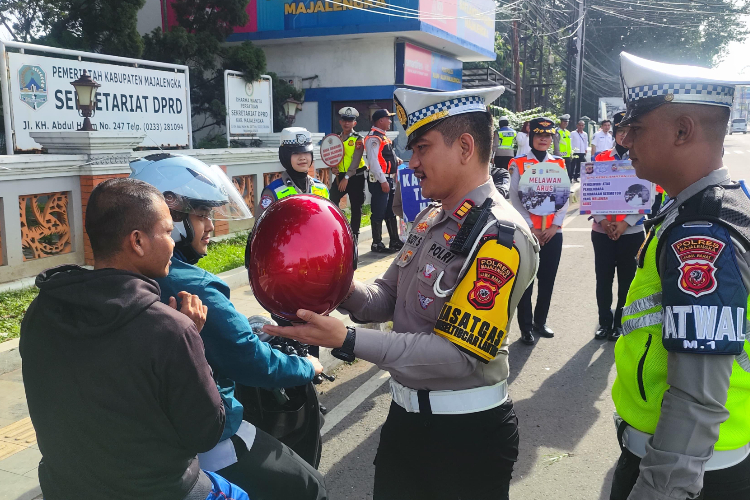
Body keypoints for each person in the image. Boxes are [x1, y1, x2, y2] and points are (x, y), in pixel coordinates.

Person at [262, 86, 539, 500]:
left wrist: (347, 339)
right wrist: (329, 282)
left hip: (465, 438)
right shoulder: (431, 217)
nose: (412, 163)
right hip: (405, 422)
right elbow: (383, 299)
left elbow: (457, 356)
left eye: (422, 149)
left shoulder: (499, 235)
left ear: (465, 147)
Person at [20, 178, 250, 500]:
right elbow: (207, 433)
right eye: (167, 232)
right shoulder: (170, 329)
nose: (172, 243)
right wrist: (194, 342)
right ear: (138, 241)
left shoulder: (42, 311)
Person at [130, 154, 328, 500]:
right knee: (309, 486)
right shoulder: (192, 285)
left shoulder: (122, 277)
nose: (210, 226)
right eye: (202, 215)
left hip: (146, 437)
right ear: (172, 219)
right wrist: (306, 366)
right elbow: (250, 361)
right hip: (209, 438)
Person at [609, 52, 750, 500]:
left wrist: (657, 492)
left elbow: (696, 400)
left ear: (683, 130)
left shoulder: (703, 234)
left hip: (685, 474)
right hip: (683, 462)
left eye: (635, 128)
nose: (625, 140)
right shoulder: (701, 209)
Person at [509, 117, 569, 345]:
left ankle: (540, 321)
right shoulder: (519, 163)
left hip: (553, 232)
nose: (543, 139)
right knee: (526, 280)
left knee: (548, 278)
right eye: (539, 135)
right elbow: (514, 198)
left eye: (547, 136)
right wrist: (531, 227)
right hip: (527, 232)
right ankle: (525, 327)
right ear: (531, 137)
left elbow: (563, 200)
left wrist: (555, 225)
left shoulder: (559, 164)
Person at [590, 111, 645, 341]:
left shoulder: (644, 159)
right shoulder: (601, 158)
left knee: (627, 280)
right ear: (614, 132)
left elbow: (646, 195)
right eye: (620, 130)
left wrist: (624, 224)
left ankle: (620, 323)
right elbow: (590, 193)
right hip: (601, 231)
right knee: (603, 279)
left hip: (632, 232)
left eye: (629, 131)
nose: (624, 135)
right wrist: (603, 220)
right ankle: (604, 322)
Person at [257, 127, 329, 217]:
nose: (302, 157)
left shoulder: (322, 189)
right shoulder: (273, 192)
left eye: (306, 152)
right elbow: (261, 227)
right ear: (285, 156)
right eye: (296, 153)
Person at [365, 109, 404, 253]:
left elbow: (385, 156)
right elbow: (373, 162)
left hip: (389, 179)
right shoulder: (373, 138)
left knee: (390, 211)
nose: (390, 121)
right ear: (380, 120)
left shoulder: (383, 137)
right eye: (388, 118)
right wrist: (383, 181)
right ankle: (377, 244)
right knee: (379, 211)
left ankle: (394, 241)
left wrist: (396, 160)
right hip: (380, 180)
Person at [329, 106, 366, 244]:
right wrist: (333, 168)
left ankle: (354, 236)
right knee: (332, 199)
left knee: (356, 206)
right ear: (340, 122)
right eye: (344, 120)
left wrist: (346, 178)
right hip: (341, 175)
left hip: (355, 176)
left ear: (354, 123)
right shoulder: (335, 139)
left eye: (350, 120)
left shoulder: (358, 139)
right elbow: (332, 156)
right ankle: (337, 229)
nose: (347, 123)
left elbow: (356, 160)